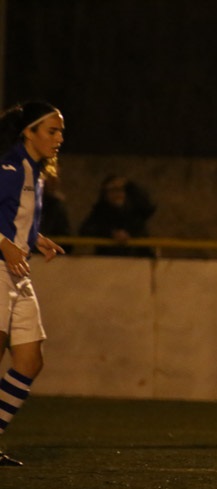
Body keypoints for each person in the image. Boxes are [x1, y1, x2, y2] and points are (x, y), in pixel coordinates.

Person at [0, 101, 67, 466]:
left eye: (60, 132)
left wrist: (35, 239)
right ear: (29, 131)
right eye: (52, 131)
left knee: (29, 361)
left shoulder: (34, 171)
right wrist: (4, 243)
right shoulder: (10, 167)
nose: (59, 139)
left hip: (18, 271)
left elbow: (15, 218)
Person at [78, 174, 156, 257]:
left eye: (120, 190)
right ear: (105, 195)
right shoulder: (100, 212)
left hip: (137, 259)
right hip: (109, 260)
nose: (117, 194)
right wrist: (111, 234)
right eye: (112, 191)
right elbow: (85, 230)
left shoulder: (135, 210)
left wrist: (129, 183)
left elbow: (149, 207)